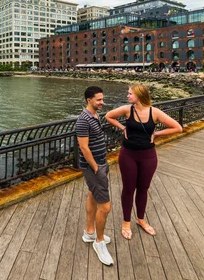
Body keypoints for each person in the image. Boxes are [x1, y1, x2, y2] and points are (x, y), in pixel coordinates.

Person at [105, 84, 182, 240]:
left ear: (139, 95)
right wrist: (122, 128)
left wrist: (157, 134)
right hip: (128, 155)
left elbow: (177, 128)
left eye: (130, 93)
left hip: (148, 156)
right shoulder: (128, 110)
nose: (127, 96)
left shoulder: (155, 112)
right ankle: (126, 222)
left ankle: (140, 219)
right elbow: (108, 116)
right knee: (128, 189)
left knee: (143, 188)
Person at [76, 86, 113, 266]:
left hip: (99, 163)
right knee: (105, 207)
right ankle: (99, 242)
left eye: (102, 99)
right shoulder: (83, 120)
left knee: (92, 194)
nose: (102, 102)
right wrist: (97, 168)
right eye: (99, 100)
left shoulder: (95, 116)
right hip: (94, 167)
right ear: (89, 100)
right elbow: (83, 147)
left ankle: (89, 232)